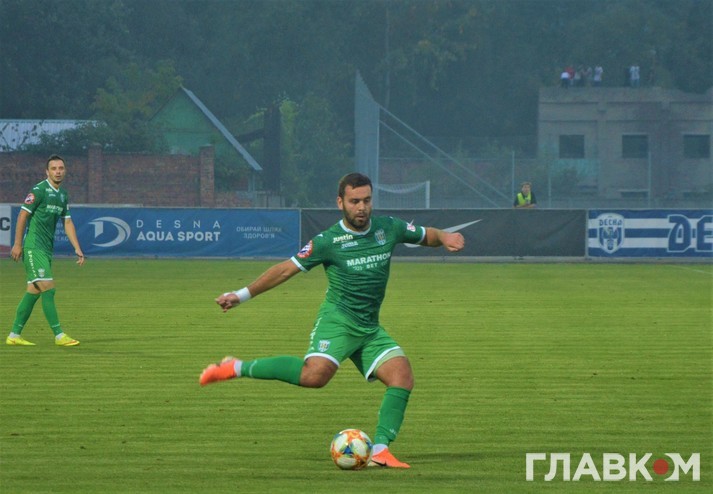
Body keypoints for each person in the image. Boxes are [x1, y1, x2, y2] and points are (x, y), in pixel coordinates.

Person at [199, 172, 465, 468]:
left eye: (366, 200)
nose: (361, 207)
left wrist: (444, 237)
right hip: (338, 321)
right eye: (354, 201)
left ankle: (379, 451)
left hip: (368, 327)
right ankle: (235, 367)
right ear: (341, 203)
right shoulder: (328, 241)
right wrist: (241, 295)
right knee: (315, 377)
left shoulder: (388, 227)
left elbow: (426, 235)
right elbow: (286, 269)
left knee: (402, 376)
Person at [6, 155, 85, 346]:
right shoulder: (39, 190)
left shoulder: (63, 195)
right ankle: (59, 335)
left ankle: (14, 335)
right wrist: (17, 244)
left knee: (33, 291)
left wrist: (77, 247)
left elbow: (67, 222)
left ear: (65, 171)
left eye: (61, 168)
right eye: (54, 168)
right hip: (33, 248)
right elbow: (22, 215)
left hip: (46, 250)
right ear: (47, 172)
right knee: (48, 289)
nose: (58, 171)